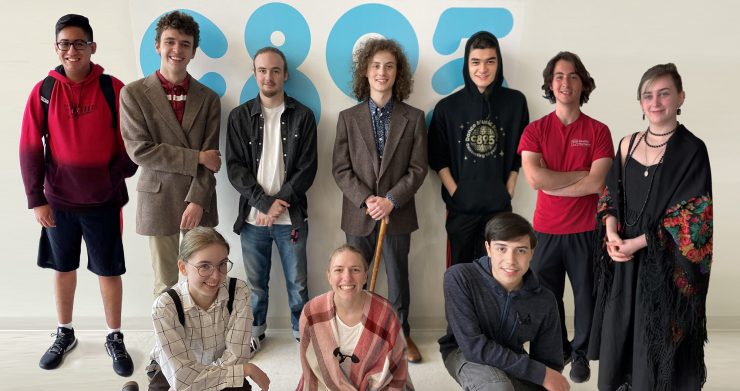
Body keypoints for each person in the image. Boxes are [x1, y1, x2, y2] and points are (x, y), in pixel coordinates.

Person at [19, 13, 137, 376]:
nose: (72, 50)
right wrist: (36, 198)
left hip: (103, 202)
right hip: (58, 202)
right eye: (65, 43)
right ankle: (65, 332)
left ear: (92, 47)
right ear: (57, 48)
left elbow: (132, 144)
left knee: (108, 270)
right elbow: (28, 148)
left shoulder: (113, 88)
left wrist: (111, 177)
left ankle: (114, 336)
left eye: (79, 43)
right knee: (62, 267)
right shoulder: (44, 92)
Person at [588, 63, 713, 391]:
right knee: (621, 336)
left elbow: (692, 218)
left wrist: (637, 243)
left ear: (680, 97)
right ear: (640, 103)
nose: (655, 102)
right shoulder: (627, 144)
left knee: (655, 341)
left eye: (664, 93)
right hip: (623, 261)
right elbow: (610, 196)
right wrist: (613, 233)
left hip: (663, 265)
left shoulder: (692, 150)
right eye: (647, 95)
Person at [517, 51, 613, 383]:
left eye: (572, 76)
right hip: (545, 230)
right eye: (558, 76)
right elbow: (533, 178)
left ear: (583, 83)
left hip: (586, 230)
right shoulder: (535, 130)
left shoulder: (598, 131)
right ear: (549, 84)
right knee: (547, 296)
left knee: (586, 296)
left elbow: (598, 182)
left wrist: (554, 179)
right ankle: (559, 350)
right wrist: (579, 176)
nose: (565, 82)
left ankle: (583, 354)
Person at [332, 38, 427, 363]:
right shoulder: (348, 117)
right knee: (353, 277)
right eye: (375, 66)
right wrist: (367, 200)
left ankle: (402, 336)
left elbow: (418, 168)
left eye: (388, 66)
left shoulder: (413, 117)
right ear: (365, 71)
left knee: (398, 276)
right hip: (359, 214)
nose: (382, 72)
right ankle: (356, 335)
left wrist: (390, 200)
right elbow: (341, 168)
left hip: (396, 214)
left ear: (397, 72)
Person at [120, 10, 221, 296]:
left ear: (193, 51)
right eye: (170, 42)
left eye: (185, 44)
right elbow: (140, 151)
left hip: (197, 197)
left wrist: (198, 200)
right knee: (166, 282)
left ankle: (200, 337)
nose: (177, 50)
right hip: (158, 196)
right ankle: (166, 340)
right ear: (158, 46)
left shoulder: (209, 98)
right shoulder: (134, 93)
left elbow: (211, 159)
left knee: (201, 279)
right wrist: (196, 157)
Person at [226, 47, 317, 347]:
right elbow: (235, 168)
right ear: (254, 74)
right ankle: (254, 333)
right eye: (262, 70)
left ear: (285, 74)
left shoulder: (303, 116)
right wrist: (264, 203)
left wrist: (279, 203)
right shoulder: (239, 117)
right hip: (254, 219)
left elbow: (307, 167)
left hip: (291, 218)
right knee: (255, 286)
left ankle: (300, 334)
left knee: (298, 283)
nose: (269, 76)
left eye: (275, 70)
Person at [428, 31, 529, 266]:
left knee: (499, 275)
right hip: (461, 210)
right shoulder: (447, 108)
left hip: (499, 209)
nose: (482, 69)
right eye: (476, 62)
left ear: (498, 63)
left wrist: (510, 186)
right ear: (467, 64)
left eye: (490, 61)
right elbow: (437, 157)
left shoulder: (515, 103)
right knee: (459, 276)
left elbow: (521, 150)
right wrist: (457, 192)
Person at [439, 213, 569, 391]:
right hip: (464, 352)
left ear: (532, 252)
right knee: (498, 387)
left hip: (512, 355)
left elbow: (549, 364)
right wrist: (539, 373)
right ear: (488, 248)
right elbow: (473, 346)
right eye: (502, 248)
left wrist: (543, 376)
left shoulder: (544, 300)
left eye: (521, 250)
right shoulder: (460, 277)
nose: (510, 260)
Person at [149, 227, 270, 391]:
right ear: (183, 267)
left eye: (222, 264)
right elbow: (181, 378)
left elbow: (236, 358)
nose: (216, 276)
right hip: (171, 371)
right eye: (204, 266)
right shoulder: (165, 307)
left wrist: (207, 379)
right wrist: (244, 370)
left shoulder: (238, 291)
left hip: (222, 367)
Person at [297, 245, 413, 390]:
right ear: (329, 276)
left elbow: (397, 370)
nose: (347, 277)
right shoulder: (311, 313)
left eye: (355, 270)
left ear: (365, 276)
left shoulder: (387, 314)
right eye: (338, 270)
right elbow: (311, 370)